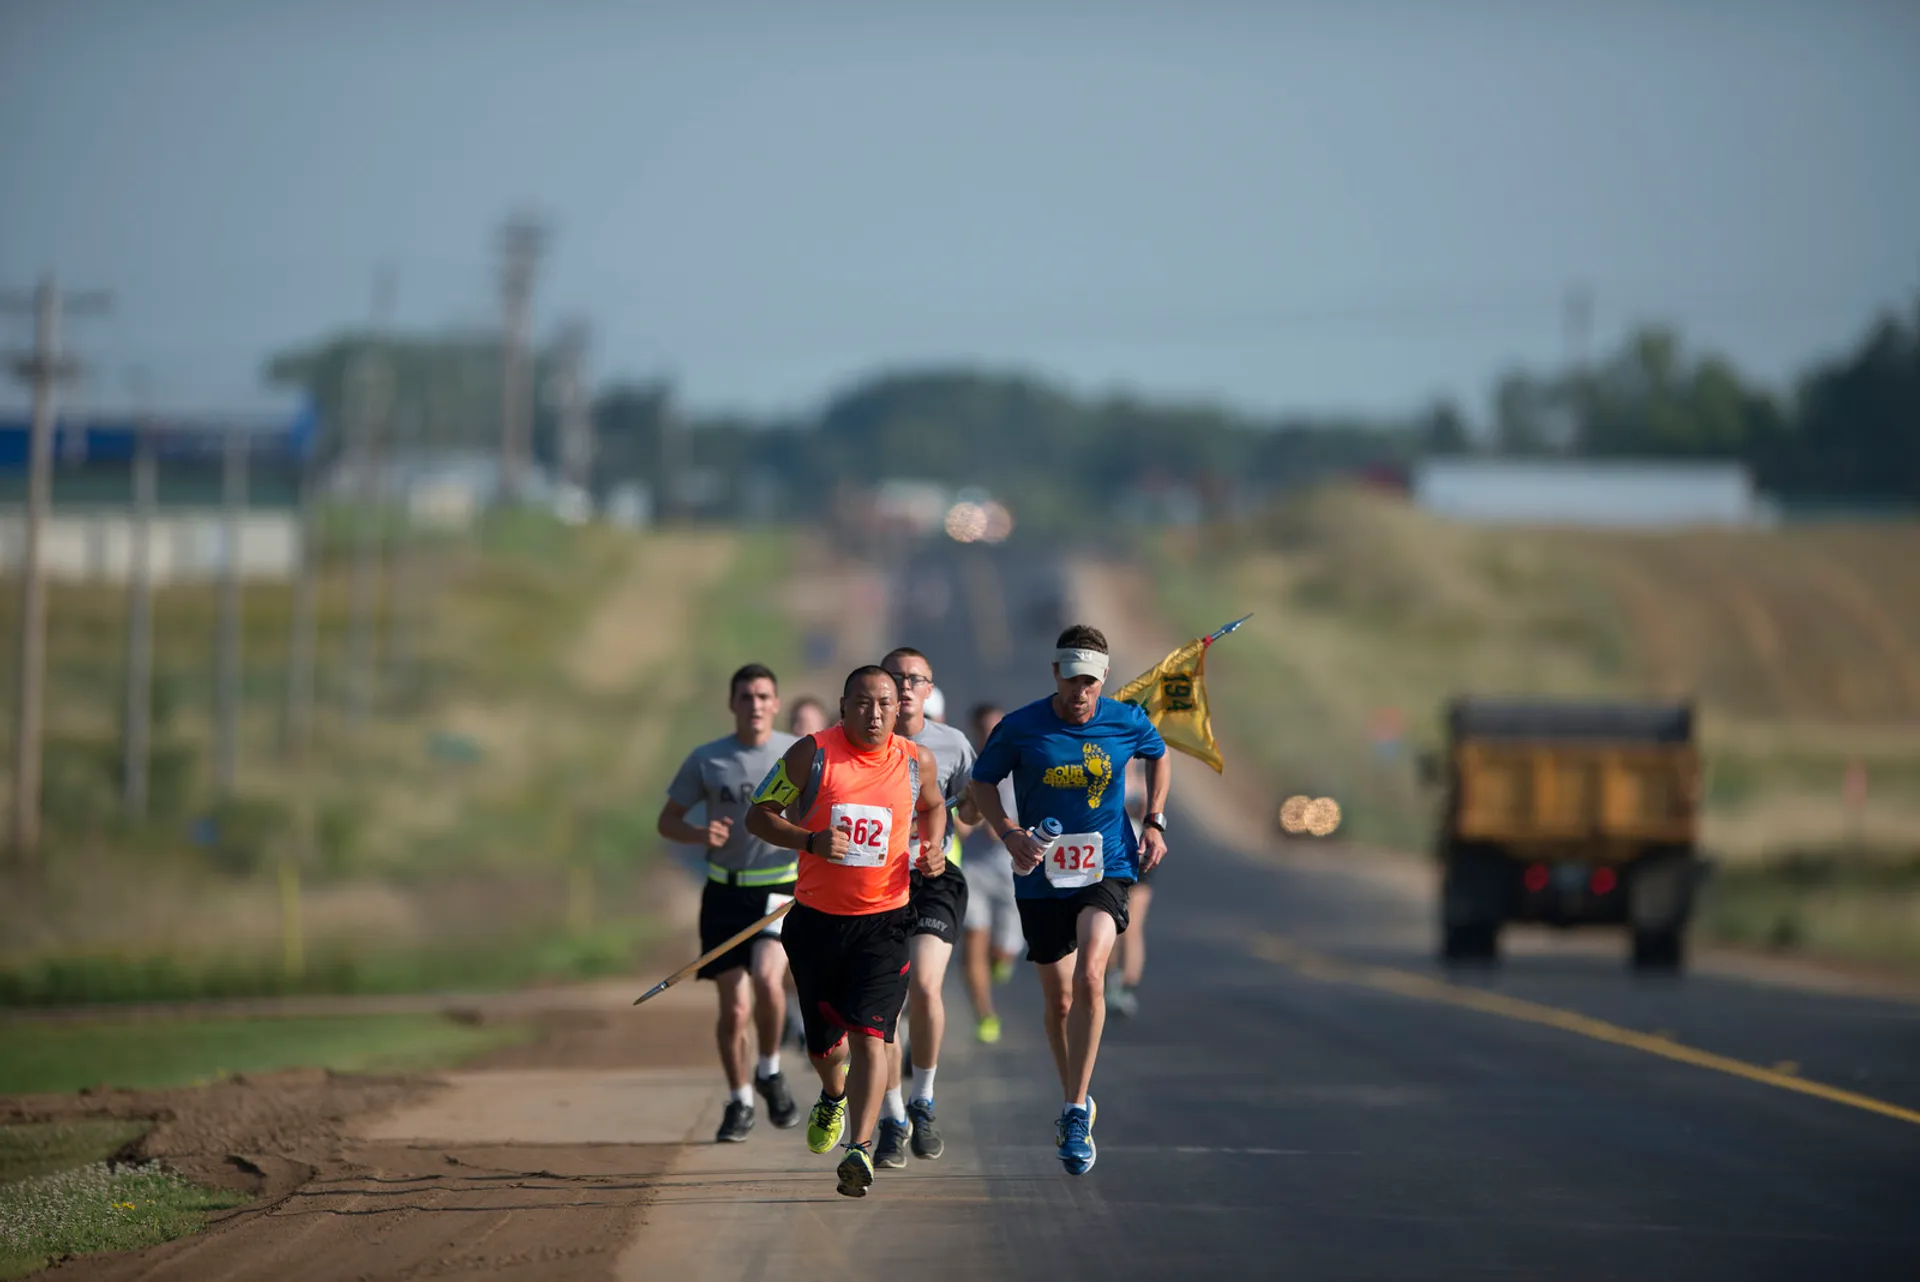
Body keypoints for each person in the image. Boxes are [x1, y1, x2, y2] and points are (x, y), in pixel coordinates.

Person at [968, 624, 1170, 1176]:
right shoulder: (1020, 727)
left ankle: (1075, 1110)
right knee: (1058, 1004)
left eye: (1090, 681)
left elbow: (1159, 754)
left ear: (1102, 680)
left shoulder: (1126, 720)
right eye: (1071, 679)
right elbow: (983, 783)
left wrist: (1153, 820)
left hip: (1107, 867)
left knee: (1090, 976)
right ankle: (1074, 1096)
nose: (1080, 691)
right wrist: (1009, 832)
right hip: (1041, 875)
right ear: (1055, 673)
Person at [745, 666, 947, 1198]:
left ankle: (859, 1148)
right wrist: (809, 842)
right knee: (825, 1049)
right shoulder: (809, 755)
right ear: (843, 706)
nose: (875, 713)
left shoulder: (914, 761)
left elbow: (933, 806)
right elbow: (758, 815)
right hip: (815, 923)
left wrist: (933, 845)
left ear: (897, 709)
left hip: (885, 921)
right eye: (863, 703)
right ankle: (833, 1094)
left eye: (884, 703)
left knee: (871, 1035)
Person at [656, 664, 802, 1143]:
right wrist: (699, 833)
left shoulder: (796, 754)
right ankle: (739, 1099)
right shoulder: (708, 760)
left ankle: (770, 1069)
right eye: (746, 696)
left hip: (778, 889)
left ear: (776, 703)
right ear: (733, 704)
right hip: (724, 889)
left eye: (763, 696)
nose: (755, 704)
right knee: (735, 1009)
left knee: (768, 978)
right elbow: (668, 821)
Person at [871, 648, 975, 1168]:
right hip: (874, 885)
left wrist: (972, 800)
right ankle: (892, 1117)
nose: (906, 686)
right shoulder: (861, 745)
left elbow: (973, 814)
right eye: (896, 678)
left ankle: (924, 1101)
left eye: (916, 679)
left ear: (929, 688)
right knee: (887, 1004)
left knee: (927, 986)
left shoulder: (952, 743)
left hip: (934, 879)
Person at [958, 702, 1025, 1044]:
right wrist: (970, 819)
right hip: (973, 870)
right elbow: (954, 821)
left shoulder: (1022, 764)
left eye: (994, 728)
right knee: (972, 940)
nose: (988, 735)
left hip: (1014, 871)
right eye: (982, 729)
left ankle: (1003, 956)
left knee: (1003, 949)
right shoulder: (967, 767)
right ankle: (985, 1014)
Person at [1107, 758, 1152, 1019]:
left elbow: (1152, 819)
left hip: (1138, 855)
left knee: (1132, 926)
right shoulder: (1106, 775)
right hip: (1110, 855)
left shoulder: (1143, 785)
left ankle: (1126, 986)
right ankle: (1111, 979)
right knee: (1112, 921)